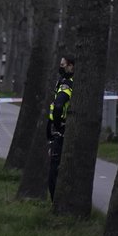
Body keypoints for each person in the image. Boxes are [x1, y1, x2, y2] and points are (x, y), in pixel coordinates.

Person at [46, 55, 74, 201]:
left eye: (63, 64)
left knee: (54, 171)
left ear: (71, 66)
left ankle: (55, 202)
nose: (60, 67)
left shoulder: (67, 84)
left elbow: (58, 106)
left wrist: (56, 125)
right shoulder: (62, 81)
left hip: (61, 131)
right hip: (59, 130)